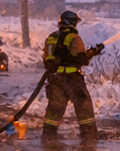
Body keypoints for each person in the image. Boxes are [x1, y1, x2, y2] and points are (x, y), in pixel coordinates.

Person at [41, 10, 101, 139]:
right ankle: (89, 136)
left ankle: (48, 135)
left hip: (55, 79)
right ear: (72, 22)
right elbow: (81, 60)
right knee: (84, 106)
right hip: (72, 79)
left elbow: (46, 59)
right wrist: (92, 53)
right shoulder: (74, 38)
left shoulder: (51, 38)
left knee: (55, 108)